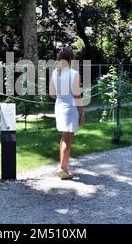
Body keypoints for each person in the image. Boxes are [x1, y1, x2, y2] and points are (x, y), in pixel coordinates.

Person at [49, 47, 85, 180]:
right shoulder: (74, 74)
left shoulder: (55, 73)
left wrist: (62, 97)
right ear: (71, 59)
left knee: (64, 137)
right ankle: (63, 169)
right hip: (70, 108)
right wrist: (82, 113)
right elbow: (77, 95)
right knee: (68, 139)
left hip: (59, 106)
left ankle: (63, 166)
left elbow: (51, 93)